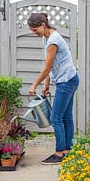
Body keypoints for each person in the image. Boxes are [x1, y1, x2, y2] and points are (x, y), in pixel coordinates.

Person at [27, 13, 79, 164]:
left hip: (66, 81)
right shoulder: (47, 38)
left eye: (35, 29)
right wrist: (46, 84)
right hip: (69, 78)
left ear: (43, 25)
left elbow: (47, 67)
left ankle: (59, 154)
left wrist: (35, 84)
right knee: (65, 116)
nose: (33, 32)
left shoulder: (53, 41)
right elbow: (51, 65)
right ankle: (67, 150)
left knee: (55, 118)